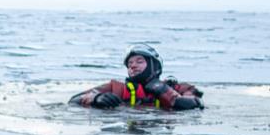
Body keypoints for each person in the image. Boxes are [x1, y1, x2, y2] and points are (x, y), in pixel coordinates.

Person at [69, 45, 203, 111]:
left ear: (154, 66)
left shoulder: (175, 87)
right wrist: (96, 98)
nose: (133, 66)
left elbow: (196, 102)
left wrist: (163, 90)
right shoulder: (116, 88)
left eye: (139, 62)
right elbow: (74, 100)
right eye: (130, 64)